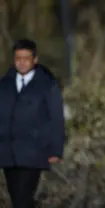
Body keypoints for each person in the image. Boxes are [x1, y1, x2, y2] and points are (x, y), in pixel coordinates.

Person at [0, 38, 65, 208]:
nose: (21, 63)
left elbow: (56, 118)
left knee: (22, 197)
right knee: (17, 198)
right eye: (18, 59)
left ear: (34, 60)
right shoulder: (5, 85)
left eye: (25, 58)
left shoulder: (47, 85)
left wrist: (56, 150)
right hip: (9, 152)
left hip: (34, 151)